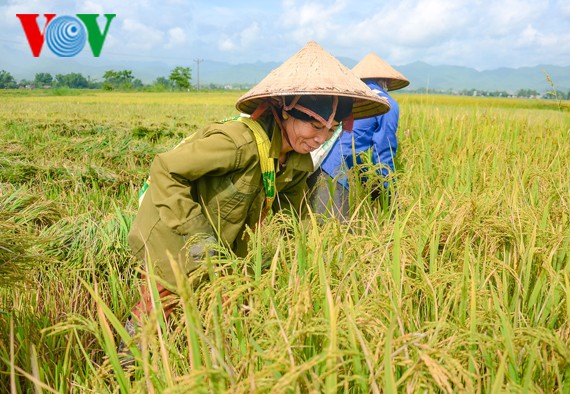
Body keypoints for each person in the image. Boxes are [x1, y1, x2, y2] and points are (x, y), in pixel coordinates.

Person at [118, 41, 390, 359]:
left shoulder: (299, 162)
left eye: (330, 131)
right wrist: (197, 236)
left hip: (222, 238)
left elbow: (293, 217)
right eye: (315, 125)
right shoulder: (237, 143)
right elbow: (165, 169)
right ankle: (124, 366)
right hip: (172, 226)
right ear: (286, 110)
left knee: (223, 302)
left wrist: (306, 264)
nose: (320, 138)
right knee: (160, 304)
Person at [308, 52, 409, 220]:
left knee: (314, 232)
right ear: (387, 82)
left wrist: (367, 179)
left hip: (314, 164)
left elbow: (351, 144)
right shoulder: (386, 104)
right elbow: (383, 152)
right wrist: (388, 192)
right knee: (338, 236)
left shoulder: (348, 98)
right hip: (335, 172)